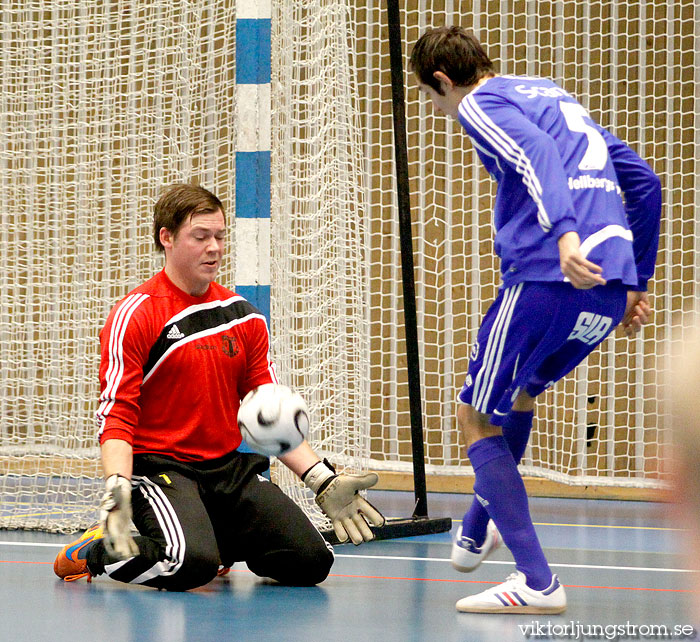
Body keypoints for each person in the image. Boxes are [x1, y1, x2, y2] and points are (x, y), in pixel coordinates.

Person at [409, 26, 661, 614]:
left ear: (444, 81)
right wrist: (635, 283)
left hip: (551, 276)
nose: (440, 108)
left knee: (473, 413)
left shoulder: (478, 103)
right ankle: (481, 524)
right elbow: (645, 183)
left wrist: (566, 237)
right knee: (519, 393)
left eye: (431, 96)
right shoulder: (549, 94)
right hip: (604, 290)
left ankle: (537, 581)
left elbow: (537, 156)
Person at [54, 183, 385, 591]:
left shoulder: (243, 316)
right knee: (188, 566)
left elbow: (269, 417)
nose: (214, 248)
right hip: (160, 470)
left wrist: (321, 479)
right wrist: (118, 490)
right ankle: (97, 549)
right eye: (201, 237)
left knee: (311, 562)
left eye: (220, 236)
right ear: (167, 238)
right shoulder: (136, 315)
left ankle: (212, 538)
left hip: (227, 469)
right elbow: (117, 417)